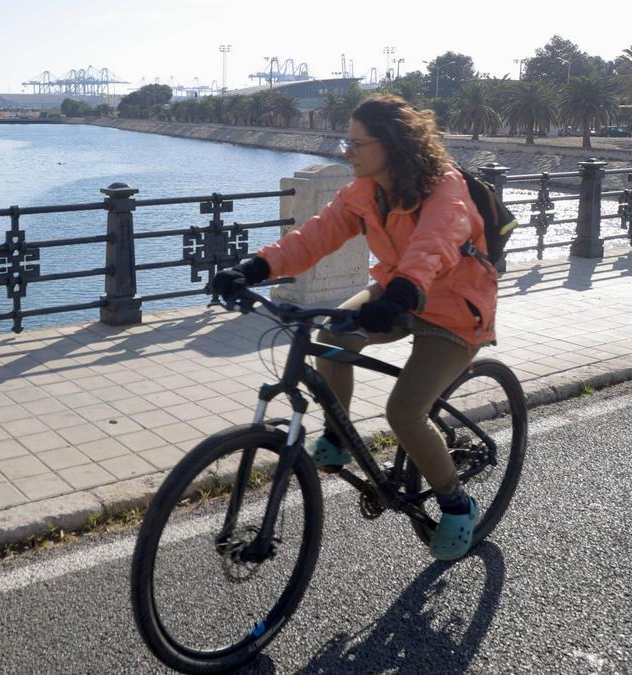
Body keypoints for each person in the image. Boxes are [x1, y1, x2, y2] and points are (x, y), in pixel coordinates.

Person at [212, 95, 497, 561]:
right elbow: (315, 236)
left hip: (454, 308)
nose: (347, 151)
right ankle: (340, 436)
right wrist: (254, 268)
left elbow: (435, 244)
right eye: (348, 141)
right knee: (332, 336)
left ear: (393, 144)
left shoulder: (445, 190)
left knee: (404, 413)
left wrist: (401, 296)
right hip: (398, 289)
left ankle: (456, 502)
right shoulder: (365, 191)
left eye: (357, 142)